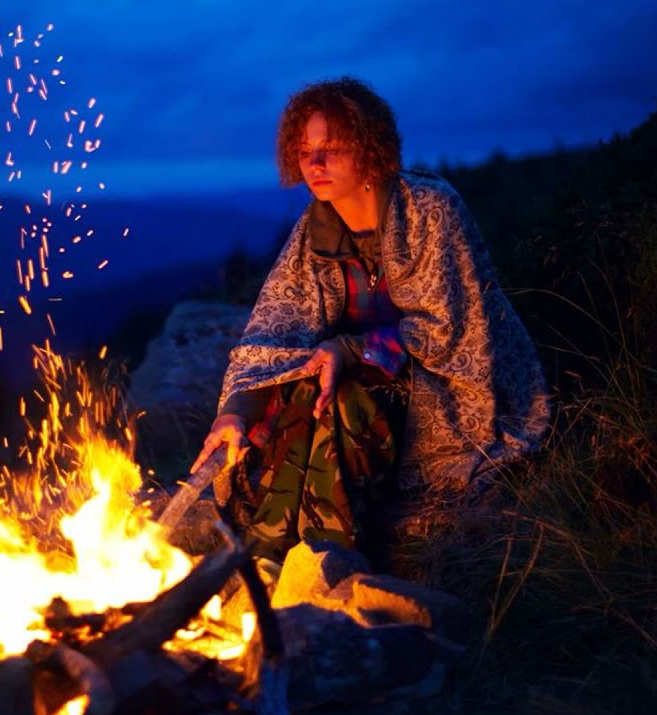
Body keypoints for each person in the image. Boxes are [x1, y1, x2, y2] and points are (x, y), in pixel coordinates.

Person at [191, 76, 551, 565]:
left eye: (331, 149)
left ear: (369, 148)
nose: (314, 164)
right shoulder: (313, 232)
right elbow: (273, 333)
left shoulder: (430, 210)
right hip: (352, 384)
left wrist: (352, 350)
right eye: (304, 151)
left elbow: (452, 330)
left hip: (442, 387)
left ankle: (331, 559)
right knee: (304, 391)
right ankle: (269, 556)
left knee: (343, 395)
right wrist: (236, 412)